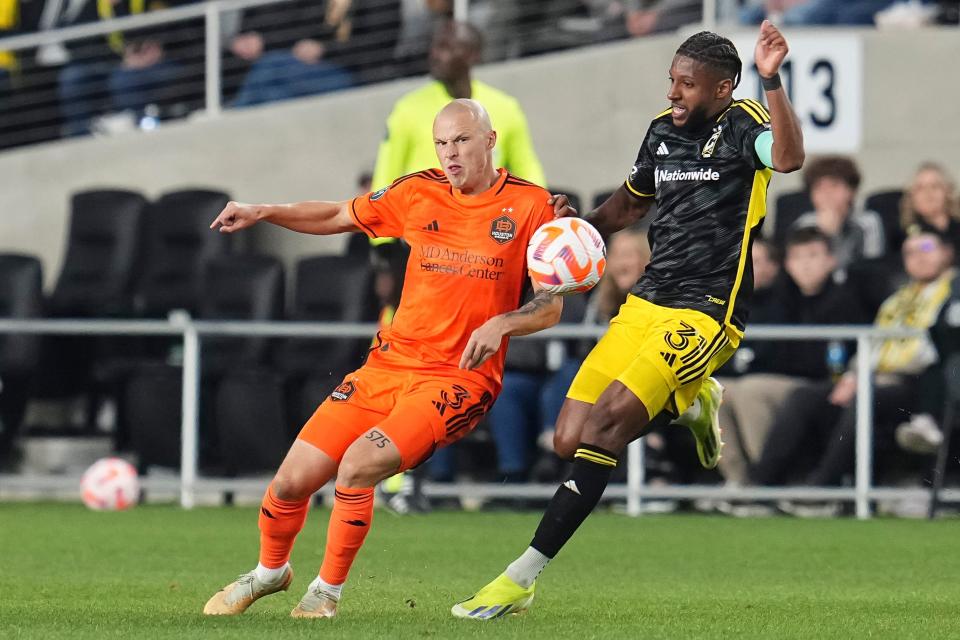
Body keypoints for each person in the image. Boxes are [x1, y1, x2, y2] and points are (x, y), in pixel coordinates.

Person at [453, 21, 805, 618]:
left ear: (722, 89)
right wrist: (576, 227)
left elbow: (792, 158)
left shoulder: (747, 125)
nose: (673, 93)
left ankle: (520, 577)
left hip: (706, 313)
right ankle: (692, 402)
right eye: (671, 80)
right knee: (568, 437)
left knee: (608, 426)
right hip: (644, 303)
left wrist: (771, 79)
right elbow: (629, 204)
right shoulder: (660, 135)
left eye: (687, 84)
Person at [202, 99, 564, 619]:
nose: (450, 153)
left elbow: (552, 306)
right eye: (442, 143)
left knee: (358, 466)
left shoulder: (533, 207)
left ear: (489, 140)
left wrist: (503, 322)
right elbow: (335, 214)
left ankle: (325, 594)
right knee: (289, 481)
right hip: (385, 367)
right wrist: (264, 211)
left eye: (461, 140)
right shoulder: (417, 191)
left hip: (457, 378)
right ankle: (269, 572)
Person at [371, 20, 545, 190]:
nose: (436, 55)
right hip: (424, 216)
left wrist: (543, 205)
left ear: (473, 55)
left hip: (486, 212)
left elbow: (527, 170)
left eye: (447, 48)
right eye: (435, 47)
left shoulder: (506, 107)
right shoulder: (407, 109)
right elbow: (384, 179)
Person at [789, 155, 886, 270]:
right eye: (819, 187)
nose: (826, 194)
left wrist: (835, 235)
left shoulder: (868, 223)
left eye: (834, 186)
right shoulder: (804, 224)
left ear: (851, 191)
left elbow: (871, 268)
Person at [900, 162, 960, 252]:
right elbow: (926, 252)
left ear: (948, 192)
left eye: (935, 186)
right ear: (911, 196)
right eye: (920, 188)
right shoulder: (905, 235)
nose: (928, 193)